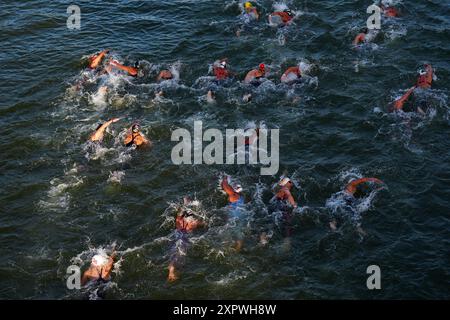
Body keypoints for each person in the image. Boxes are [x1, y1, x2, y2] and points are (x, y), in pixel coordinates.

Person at [168, 197, 206, 282]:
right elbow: (205, 223)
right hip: (184, 239)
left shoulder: (179, 220)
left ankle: (171, 271)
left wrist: (185, 204)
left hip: (175, 236)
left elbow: (180, 212)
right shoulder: (193, 223)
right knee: (179, 255)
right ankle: (172, 271)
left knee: (174, 254)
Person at [221, 175, 245, 251]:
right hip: (241, 215)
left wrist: (225, 179)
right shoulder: (242, 196)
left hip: (233, 216)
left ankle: (227, 249)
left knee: (227, 231)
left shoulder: (233, 195)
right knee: (238, 232)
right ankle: (237, 250)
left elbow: (225, 186)